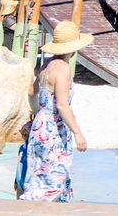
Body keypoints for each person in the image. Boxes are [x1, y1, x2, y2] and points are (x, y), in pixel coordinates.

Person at [19, 21, 91, 202]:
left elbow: (31, 93)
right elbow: (62, 105)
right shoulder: (64, 68)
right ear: (72, 48)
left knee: (37, 181)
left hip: (39, 128)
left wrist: (37, 116)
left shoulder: (46, 66)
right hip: (53, 132)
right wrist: (78, 132)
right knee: (53, 185)